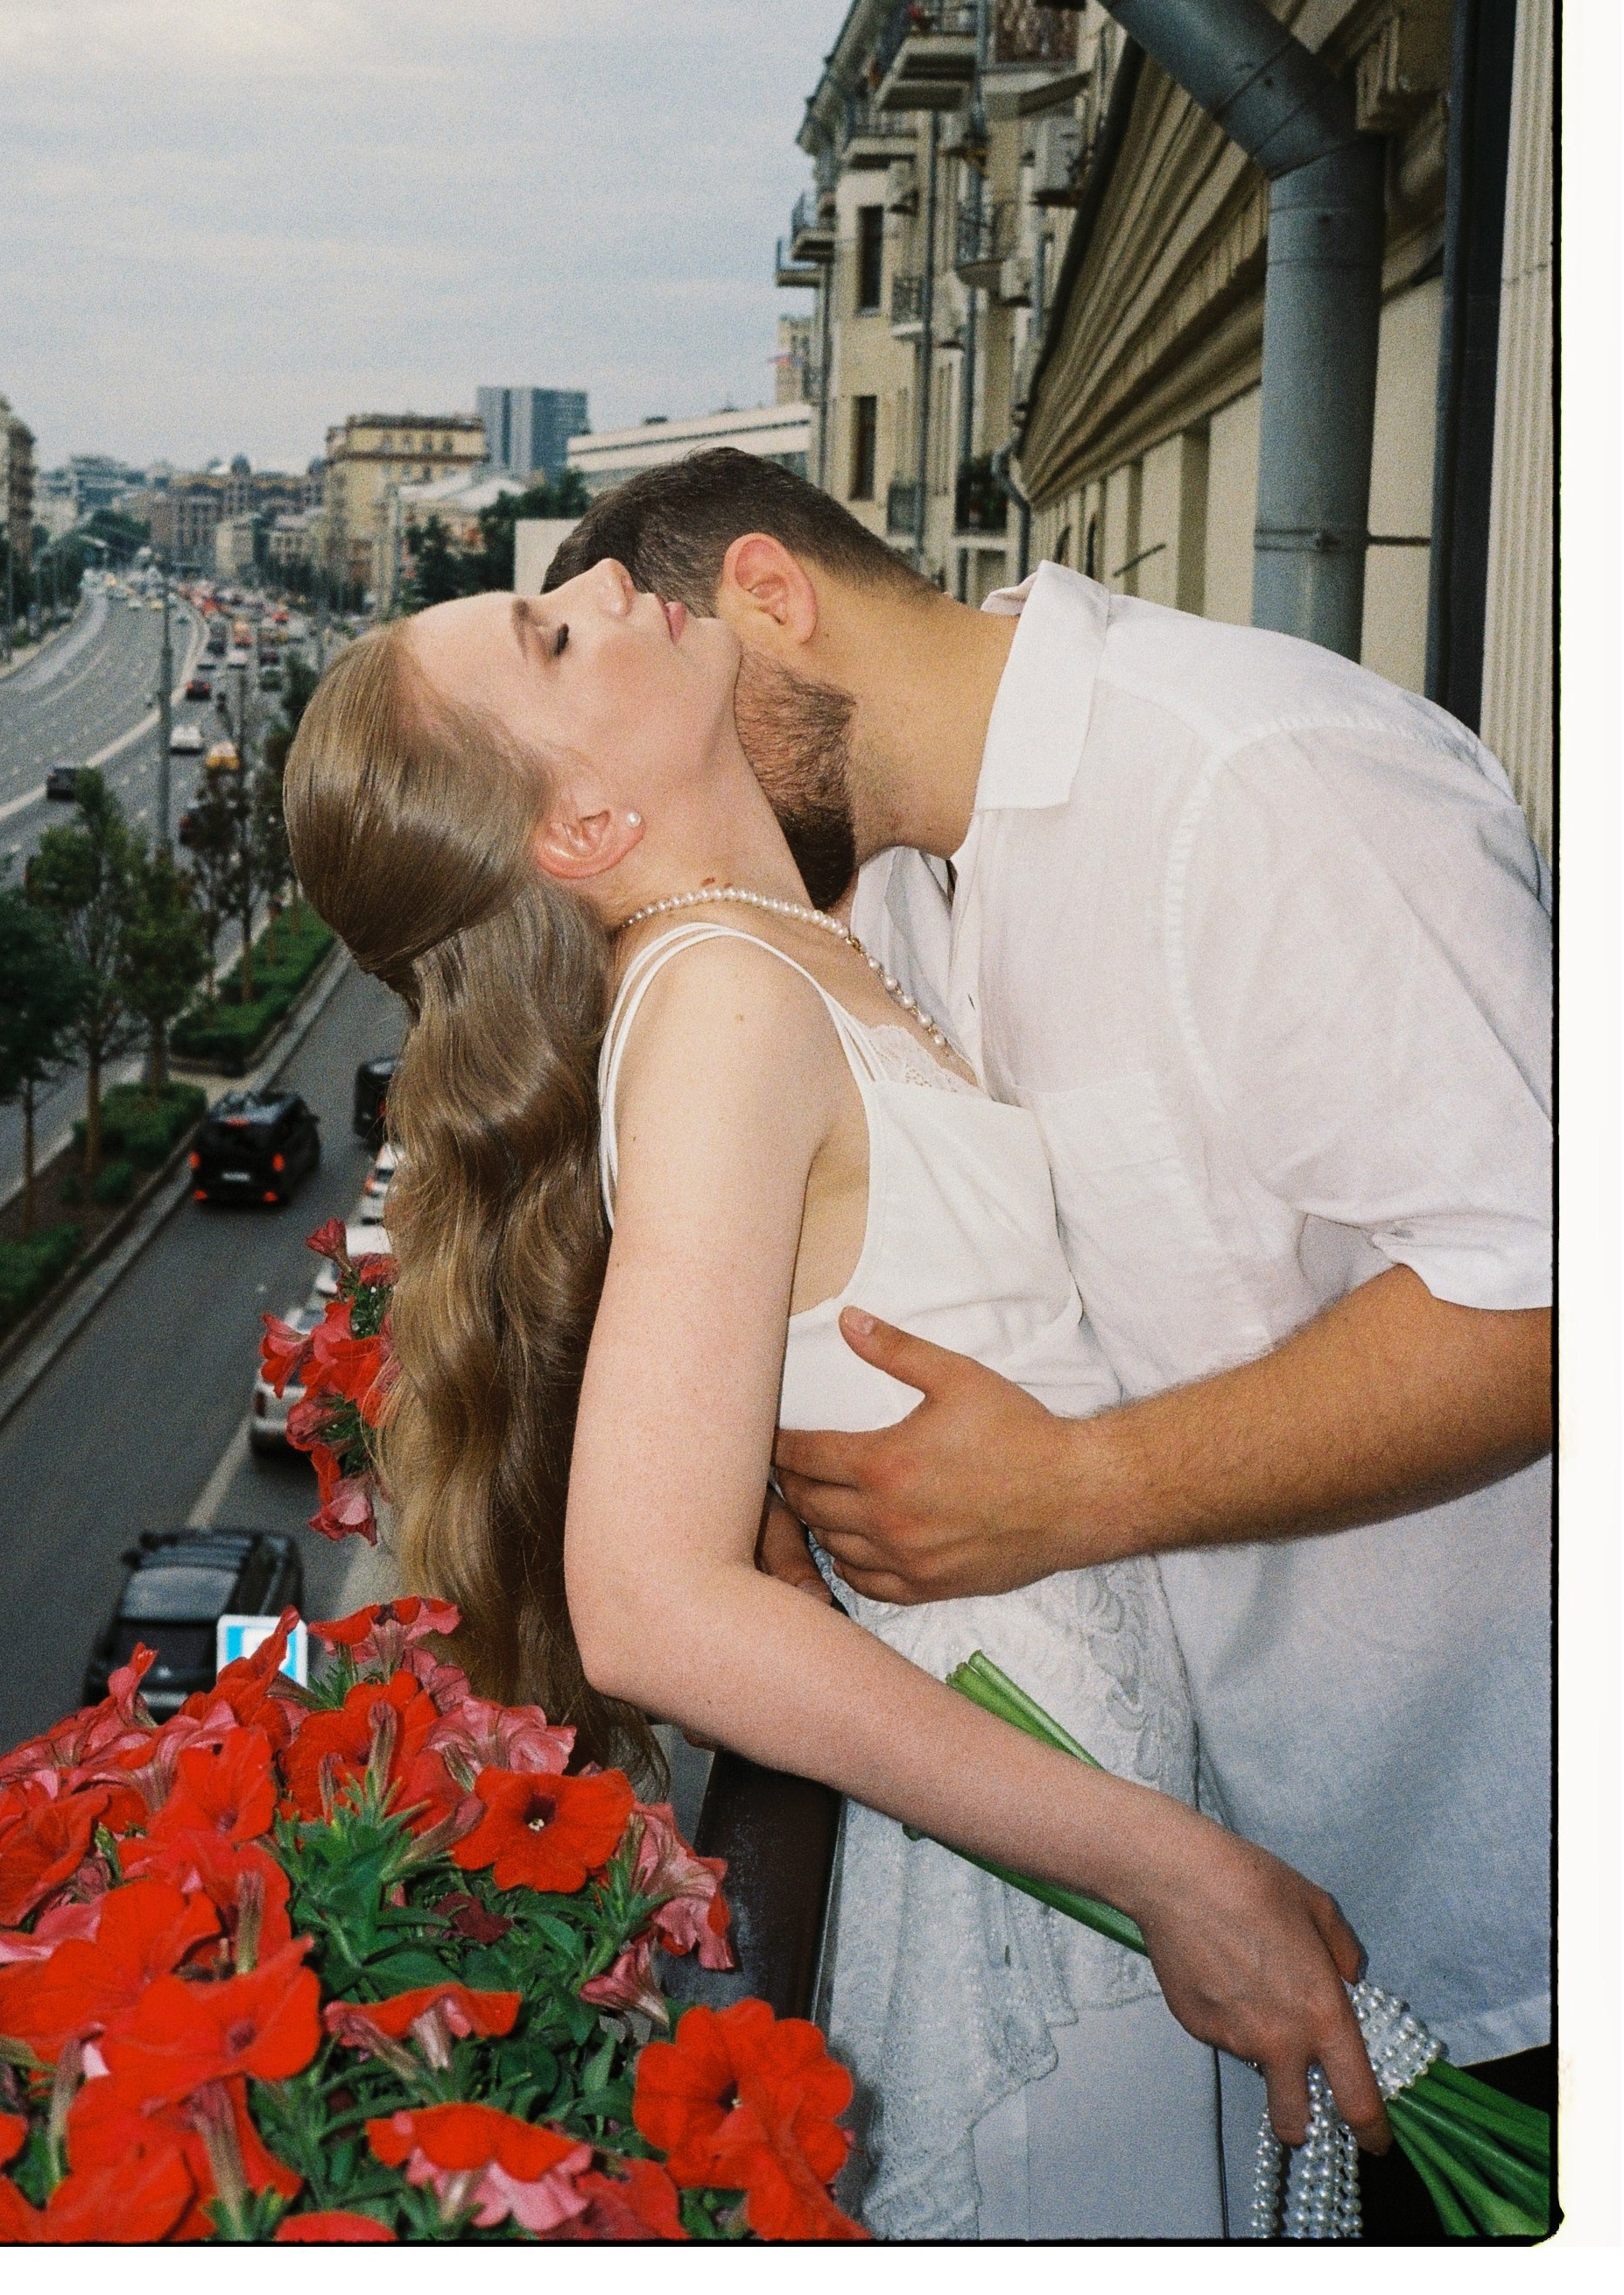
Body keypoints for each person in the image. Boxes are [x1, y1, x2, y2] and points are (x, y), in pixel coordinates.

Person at [284, 561, 1396, 2242]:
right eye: (553, 635)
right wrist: (1167, 1868)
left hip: (1078, 1791)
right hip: (1048, 1881)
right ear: (578, 825)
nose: (597, 574)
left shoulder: (775, 951)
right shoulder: (721, 1004)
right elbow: (648, 1603)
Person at [542, 451, 1553, 2235]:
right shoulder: (901, 907)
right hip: (1236, 1902)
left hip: (1483, 1907)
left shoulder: (1251, 781)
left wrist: (1074, 1488)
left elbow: (1546, 1299)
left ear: (765, 602)